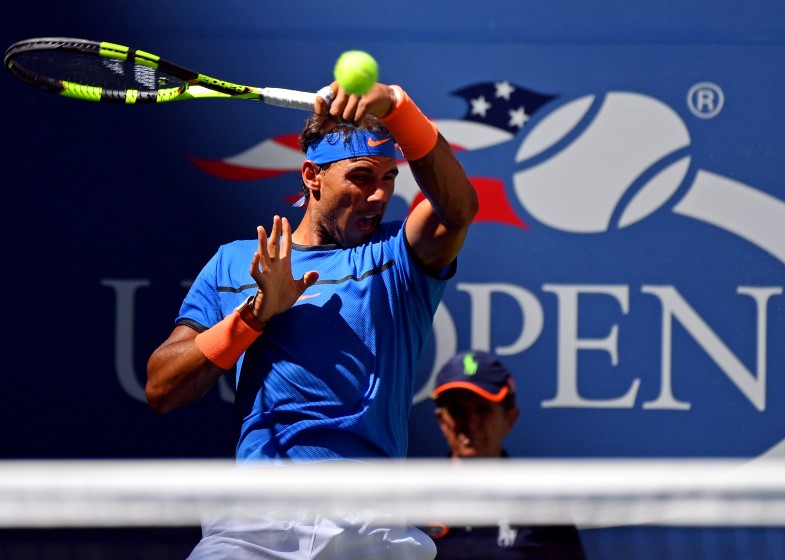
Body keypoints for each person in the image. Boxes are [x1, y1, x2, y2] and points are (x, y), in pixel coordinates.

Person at [145, 77, 478, 560]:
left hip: (372, 525)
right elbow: (162, 387)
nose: (380, 195)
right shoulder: (235, 263)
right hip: (256, 523)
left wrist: (399, 106)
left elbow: (459, 207)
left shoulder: (397, 255)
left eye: (389, 178)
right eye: (362, 177)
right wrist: (255, 315)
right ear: (312, 175)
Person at [424, 350, 587, 559]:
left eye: (483, 410)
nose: (470, 423)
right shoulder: (410, 501)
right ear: (441, 421)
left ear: (510, 418)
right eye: (457, 410)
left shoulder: (545, 506)